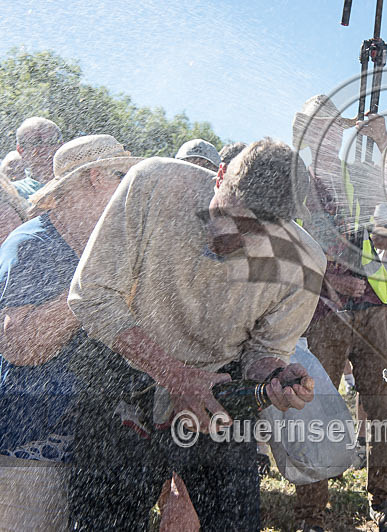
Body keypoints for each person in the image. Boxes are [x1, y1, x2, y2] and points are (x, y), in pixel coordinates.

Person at [67, 138, 324, 531]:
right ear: (219, 176)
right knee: (104, 522)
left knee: (233, 523)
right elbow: (92, 295)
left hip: (217, 388)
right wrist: (174, 375)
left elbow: (264, 351)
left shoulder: (302, 263)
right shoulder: (153, 183)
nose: (227, 238)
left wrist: (274, 377)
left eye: (252, 233)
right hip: (122, 373)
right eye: (226, 216)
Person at [0, 134, 142, 531]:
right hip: (26, 449)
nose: (127, 190)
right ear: (95, 178)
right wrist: (87, 292)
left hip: (83, 446)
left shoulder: (96, 247)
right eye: (121, 177)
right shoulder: (34, 244)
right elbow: (18, 345)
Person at [291, 94, 387, 532]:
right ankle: (311, 513)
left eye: (334, 124)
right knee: (315, 409)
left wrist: (383, 140)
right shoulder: (294, 178)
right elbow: (285, 245)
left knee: (384, 409)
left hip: (373, 306)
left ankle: (383, 500)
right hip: (324, 312)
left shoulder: (356, 173)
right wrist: (328, 280)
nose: (328, 131)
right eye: (319, 125)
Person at [14, 117, 64, 199]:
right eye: (36, 143)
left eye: (51, 141)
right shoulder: (14, 193)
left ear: (62, 145)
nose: (45, 148)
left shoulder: (80, 183)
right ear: (21, 151)